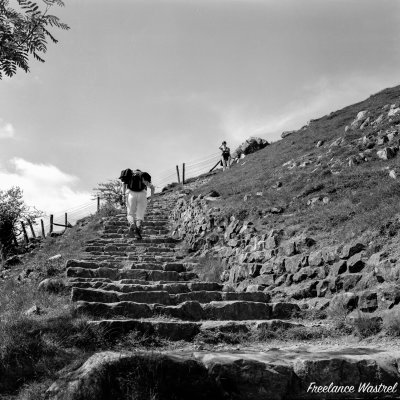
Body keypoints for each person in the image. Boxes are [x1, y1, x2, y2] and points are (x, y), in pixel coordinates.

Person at [119, 168, 155, 239]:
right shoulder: (143, 176)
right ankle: (138, 227)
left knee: (130, 214)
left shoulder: (129, 175)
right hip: (142, 195)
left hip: (131, 195)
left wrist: (123, 196)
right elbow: (152, 187)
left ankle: (132, 224)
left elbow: (123, 184)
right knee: (140, 215)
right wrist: (152, 198)